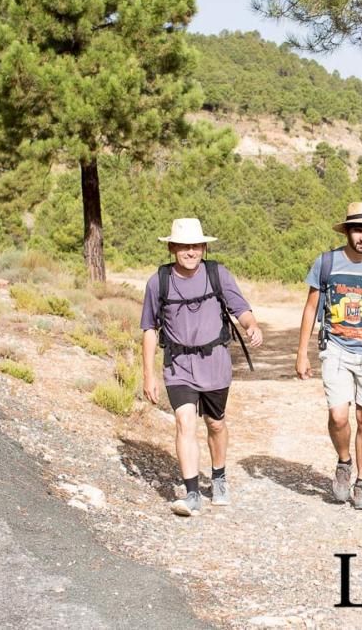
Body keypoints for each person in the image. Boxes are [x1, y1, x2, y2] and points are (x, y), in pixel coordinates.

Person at [140, 218, 263, 517]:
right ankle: (192, 492)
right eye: (184, 246)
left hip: (215, 363)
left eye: (195, 246)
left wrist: (251, 325)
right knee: (185, 423)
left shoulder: (216, 274)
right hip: (178, 365)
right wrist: (148, 374)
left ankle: (218, 476)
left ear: (204, 247)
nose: (190, 252)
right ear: (172, 248)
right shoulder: (159, 281)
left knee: (215, 423)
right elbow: (148, 328)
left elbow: (240, 308)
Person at [295, 202, 362, 510]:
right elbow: (310, 309)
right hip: (336, 350)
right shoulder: (326, 263)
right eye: (358, 229)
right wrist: (301, 352)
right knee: (338, 416)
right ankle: (344, 461)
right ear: (347, 231)